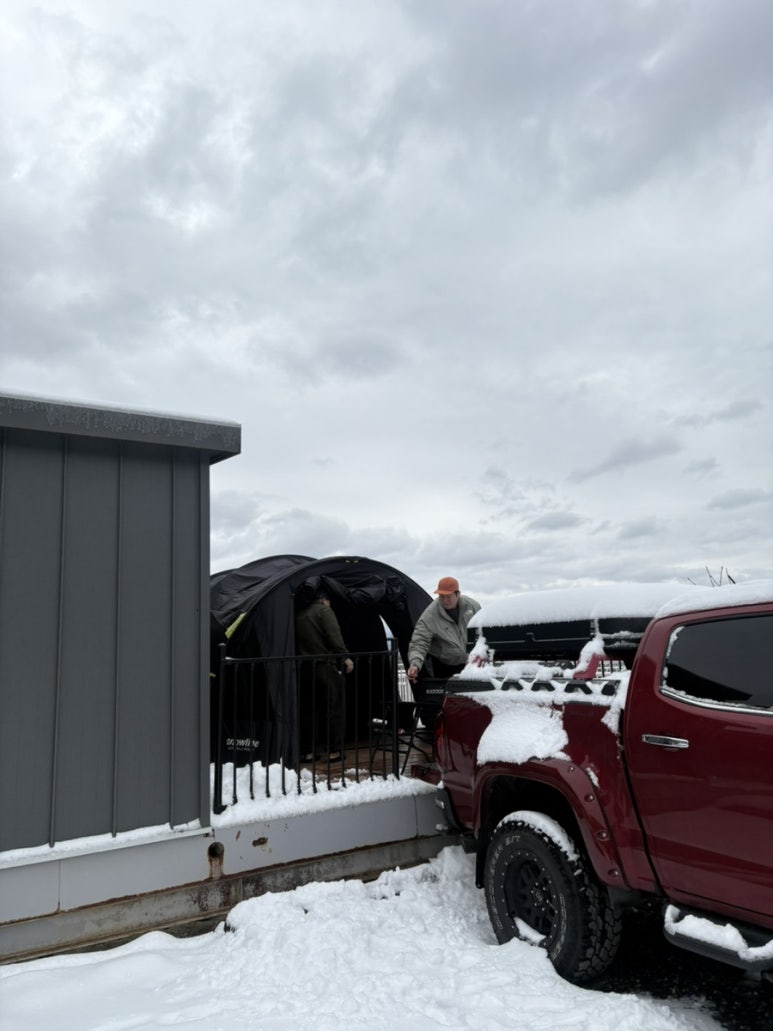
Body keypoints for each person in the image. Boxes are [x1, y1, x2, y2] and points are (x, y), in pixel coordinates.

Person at [295, 591, 354, 761]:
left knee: (308, 711)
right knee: (333, 708)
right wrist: (345, 657)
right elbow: (334, 636)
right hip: (324, 666)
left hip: (304, 668)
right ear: (323, 599)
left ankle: (308, 752)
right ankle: (334, 750)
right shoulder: (324, 612)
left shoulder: (299, 614)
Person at [406, 576, 480, 684]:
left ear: (458, 594)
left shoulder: (473, 607)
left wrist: (480, 655)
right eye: (441, 596)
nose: (445, 600)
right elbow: (419, 642)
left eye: (448, 597)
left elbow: (482, 633)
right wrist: (414, 665)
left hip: (472, 664)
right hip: (445, 667)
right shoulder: (429, 617)